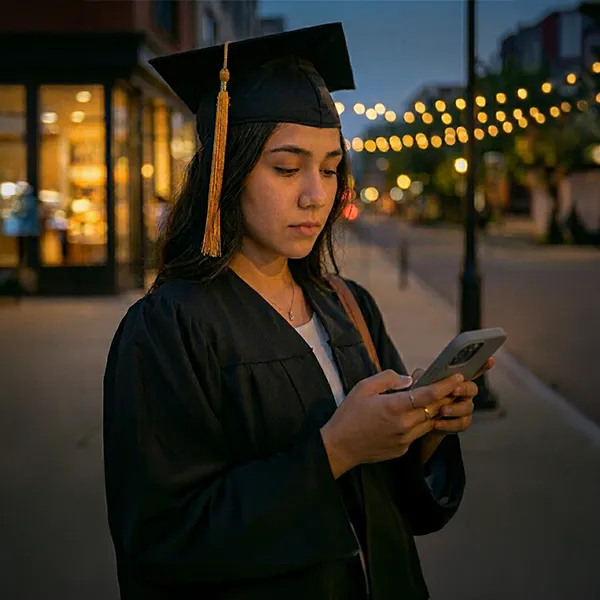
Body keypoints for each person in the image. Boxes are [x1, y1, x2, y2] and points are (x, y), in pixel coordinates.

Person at [103, 23, 493, 600]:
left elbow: (398, 508)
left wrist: (424, 430)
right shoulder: (167, 330)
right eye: (287, 168)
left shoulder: (349, 305)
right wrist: (336, 450)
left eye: (331, 167)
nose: (317, 194)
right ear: (226, 174)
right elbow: (161, 543)